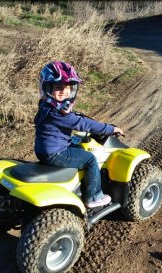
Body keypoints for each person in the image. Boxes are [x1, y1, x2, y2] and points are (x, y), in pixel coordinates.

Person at [34, 61, 124, 208]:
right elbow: (84, 124)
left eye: (68, 88)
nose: (64, 91)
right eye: (58, 87)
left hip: (44, 149)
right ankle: (93, 197)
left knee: (78, 147)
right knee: (89, 159)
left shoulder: (45, 106)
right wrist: (110, 129)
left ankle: (78, 182)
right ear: (47, 88)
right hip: (55, 153)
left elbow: (68, 119)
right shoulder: (60, 115)